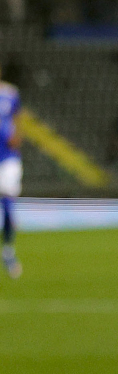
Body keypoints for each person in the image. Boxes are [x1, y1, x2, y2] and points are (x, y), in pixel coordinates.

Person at [0, 67, 21, 279]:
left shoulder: (10, 93)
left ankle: (8, 251)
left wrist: (18, 136)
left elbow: (17, 117)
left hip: (7, 158)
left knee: (8, 203)